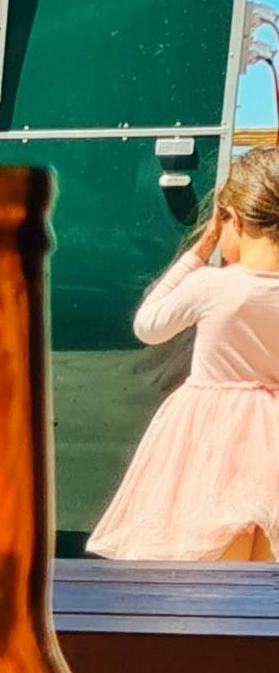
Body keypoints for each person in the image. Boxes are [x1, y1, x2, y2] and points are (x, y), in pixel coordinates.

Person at [89, 148, 279, 561]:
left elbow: (149, 325)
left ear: (234, 220)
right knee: (268, 564)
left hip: (210, 434)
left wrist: (201, 248)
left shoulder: (212, 285)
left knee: (209, 553)